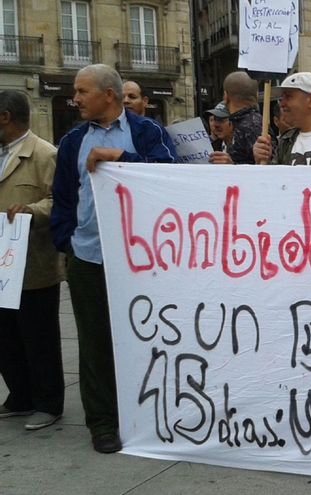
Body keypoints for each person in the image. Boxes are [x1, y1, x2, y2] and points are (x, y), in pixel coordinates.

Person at [50, 63, 177, 453]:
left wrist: (121, 157)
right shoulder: (73, 141)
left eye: (83, 91)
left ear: (109, 94)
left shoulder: (146, 132)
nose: (76, 99)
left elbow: (170, 176)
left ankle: (147, 414)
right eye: (75, 91)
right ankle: (102, 423)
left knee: (145, 339)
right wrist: (68, 243)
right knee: (94, 345)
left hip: (141, 261)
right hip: (88, 257)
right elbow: (64, 197)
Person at [0, 90, 65, 431]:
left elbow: (60, 201)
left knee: (38, 338)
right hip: (1, 268)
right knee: (5, 337)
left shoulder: (44, 154)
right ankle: (19, 396)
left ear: (5, 117)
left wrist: (32, 210)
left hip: (32, 265)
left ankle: (48, 402)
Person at [210, 71, 261, 165]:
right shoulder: (242, 123)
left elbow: (263, 169)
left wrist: (232, 166)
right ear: (256, 96)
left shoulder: (248, 126)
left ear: (226, 96)